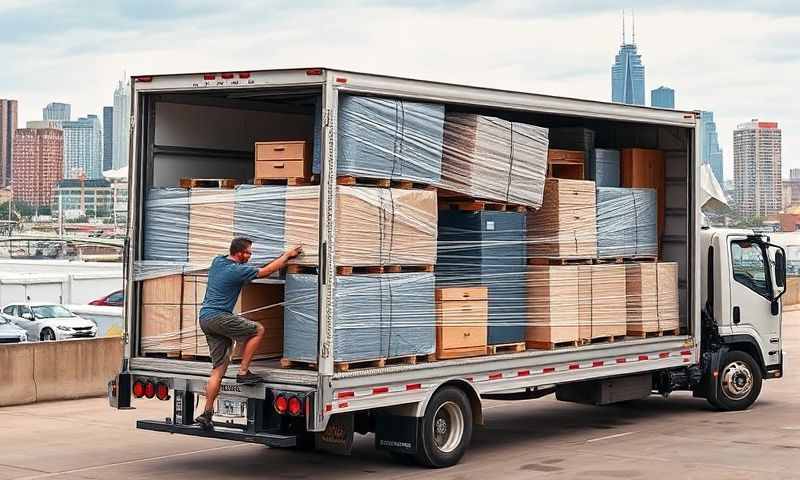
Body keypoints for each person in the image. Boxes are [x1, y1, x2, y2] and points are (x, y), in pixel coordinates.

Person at [194, 237, 302, 430]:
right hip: (219, 317)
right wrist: (286, 255)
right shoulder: (237, 270)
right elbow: (266, 271)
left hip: (205, 318)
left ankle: (206, 413)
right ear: (239, 253)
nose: (251, 256)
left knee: (219, 368)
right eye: (249, 253)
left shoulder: (218, 261)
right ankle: (243, 371)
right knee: (258, 330)